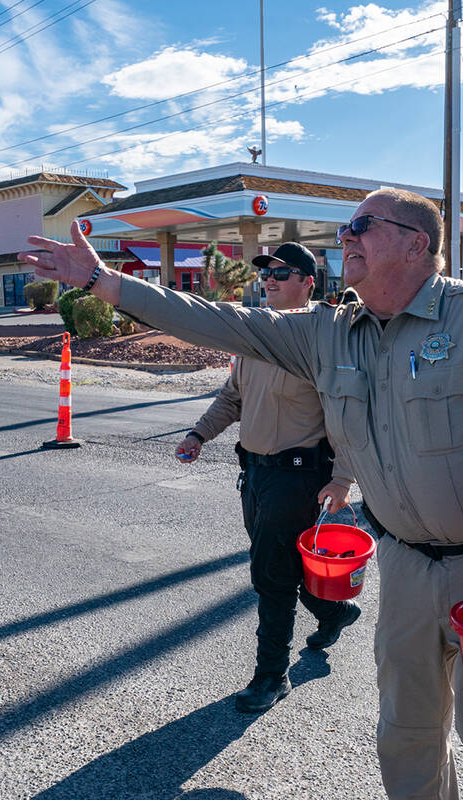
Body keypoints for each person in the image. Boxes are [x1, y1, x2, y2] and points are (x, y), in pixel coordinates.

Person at [20, 190, 463, 800]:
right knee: (406, 737)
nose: (347, 237)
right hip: (407, 564)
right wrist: (102, 280)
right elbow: (215, 319)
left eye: (362, 225)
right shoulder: (328, 333)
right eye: (345, 228)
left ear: (417, 244)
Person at [175, 242, 360, 713]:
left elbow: (347, 416)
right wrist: (200, 434)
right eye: (267, 273)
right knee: (284, 564)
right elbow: (232, 398)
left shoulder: (323, 339)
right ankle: (336, 611)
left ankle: (271, 676)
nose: (270, 279)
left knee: (270, 577)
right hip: (254, 475)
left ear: (307, 281)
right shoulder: (254, 338)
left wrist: (342, 479)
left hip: (299, 477)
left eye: (283, 272)